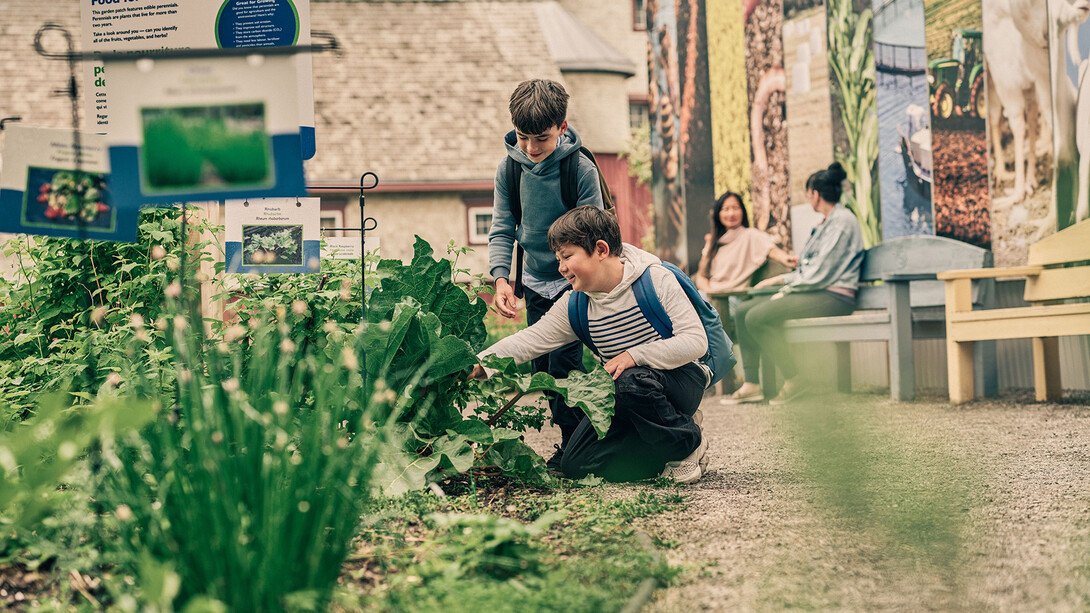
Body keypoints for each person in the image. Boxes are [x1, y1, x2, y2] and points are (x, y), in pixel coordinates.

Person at [471, 207, 709, 483]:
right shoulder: (576, 304)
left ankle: (687, 442)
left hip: (680, 381)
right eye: (558, 258)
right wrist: (480, 364)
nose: (560, 267)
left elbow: (695, 342)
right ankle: (668, 439)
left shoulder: (655, 279)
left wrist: (634, 355)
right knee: (578, 463)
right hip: (623, 392)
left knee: (631, 382)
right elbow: (530, 340)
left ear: (601, 249)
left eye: (567, 256)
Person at [487, 79, 605, 471]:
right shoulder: (509, 169)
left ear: (563, 126)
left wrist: (583, 280)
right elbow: (503, 228)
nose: (532, 149)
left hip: (574, 285)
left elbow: (597, 235)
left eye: (542, 137)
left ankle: (574, 448)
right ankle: (578, 439)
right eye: (523, 138)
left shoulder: (579, 169)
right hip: (536, 282)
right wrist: (502, 280)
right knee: (542, 370)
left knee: (564, 367)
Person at [727, 162, 864, 405]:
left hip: (833, 296)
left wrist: (786, 289)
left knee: (756, 317)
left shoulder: (842, 221)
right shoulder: (826, 223)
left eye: (808, 192)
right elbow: (810, 268)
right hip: (816, 291)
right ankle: (752, 384)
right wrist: (779, 280)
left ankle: (795, 378)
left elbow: (821, 273)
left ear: (815, 194)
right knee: (744, 310)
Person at [693, 191, 797, 300]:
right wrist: (710, 295)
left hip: (732, 298)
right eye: (726, 209)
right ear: (718, 214)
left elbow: (771, 250)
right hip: (711, 297)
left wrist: (787, 258)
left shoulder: (750, 235)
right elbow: (701, 276)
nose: (731, 214)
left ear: (742, 211)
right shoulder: (713, 242)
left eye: (735, 208)